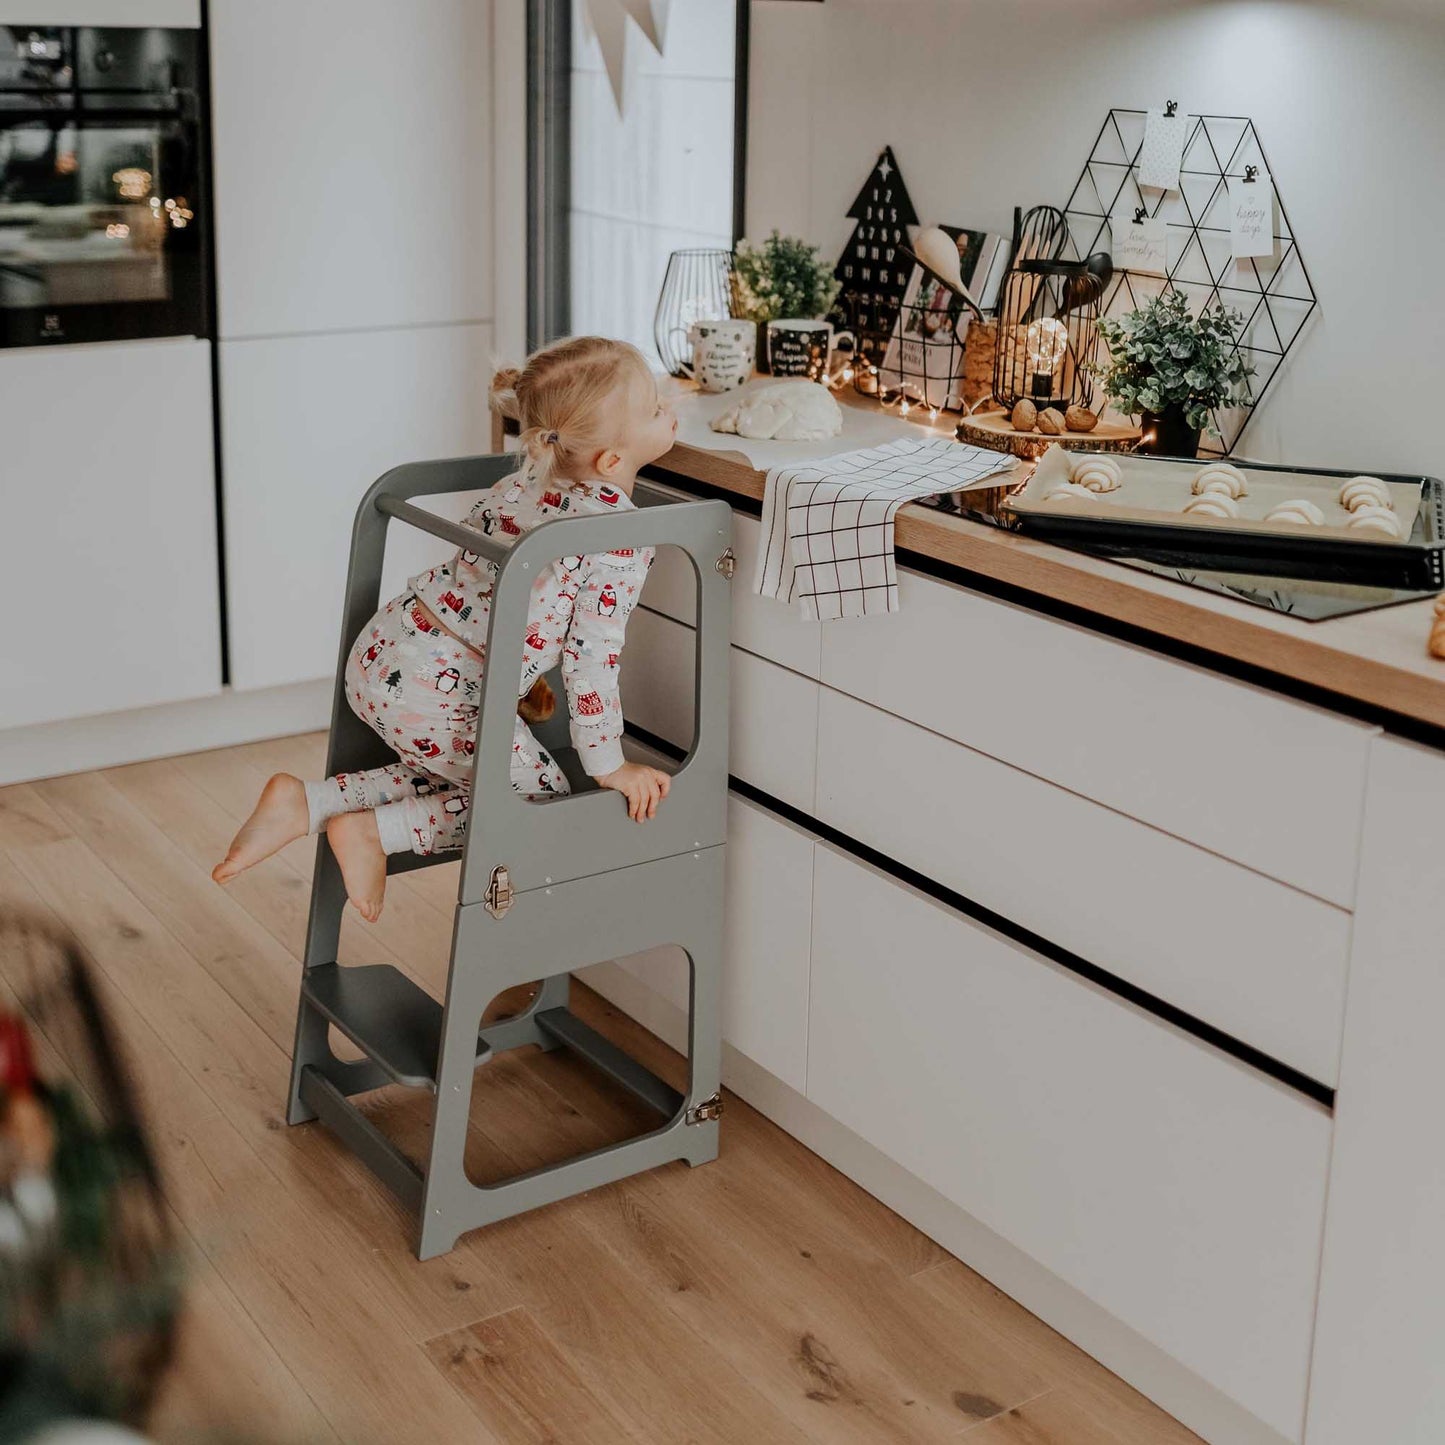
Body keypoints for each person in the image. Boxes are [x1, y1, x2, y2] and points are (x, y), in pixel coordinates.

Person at [211, 335, 677, 921]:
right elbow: (592, 659)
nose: (670, 408)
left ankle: (310, 803)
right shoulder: (615, 537)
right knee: (533, 796)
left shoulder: (522, 483)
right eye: (657, 407)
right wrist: (609, 763)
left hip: (386, 653)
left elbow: (498, 595)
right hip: (439, 689)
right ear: (612, 460)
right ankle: (373, 832)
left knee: (460, 767)